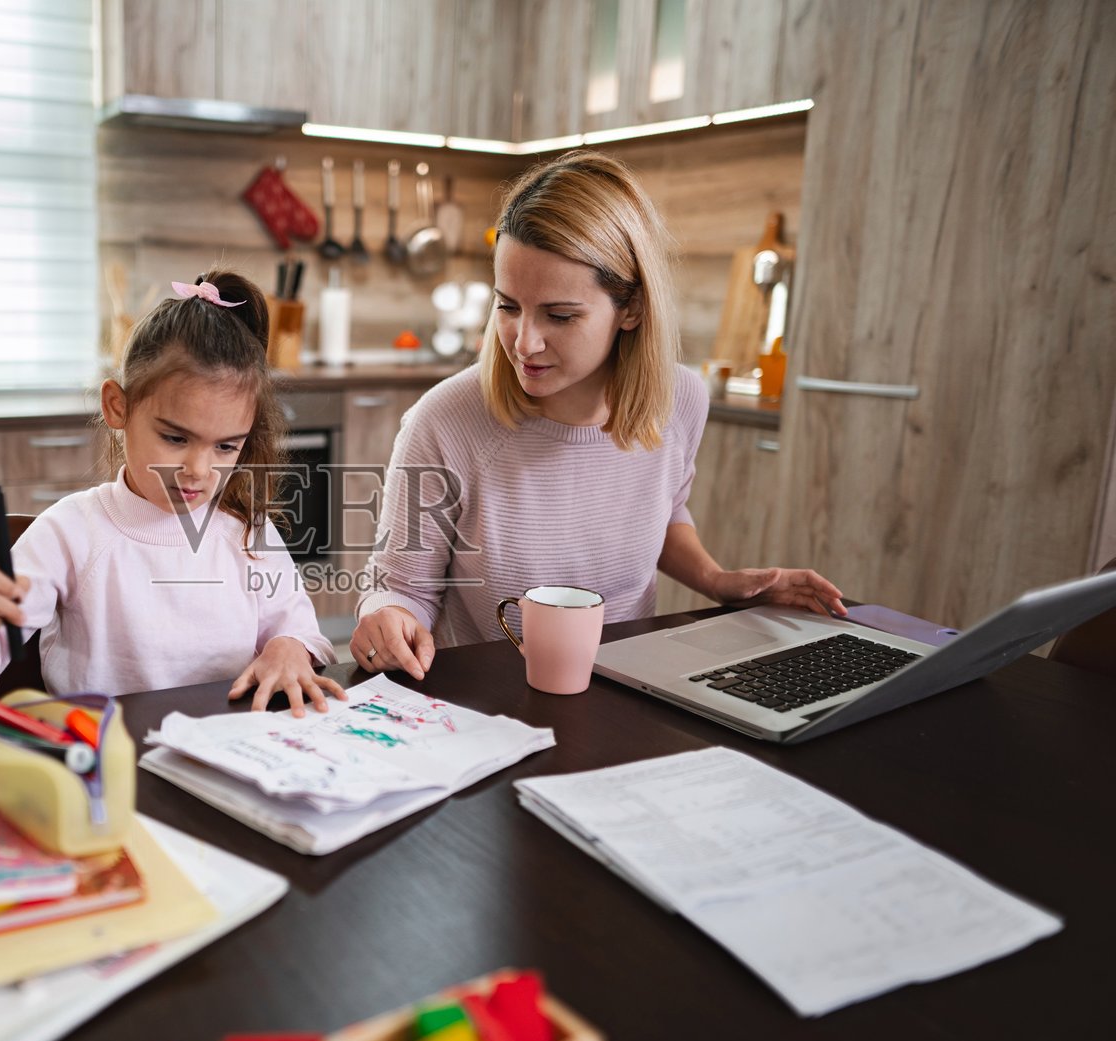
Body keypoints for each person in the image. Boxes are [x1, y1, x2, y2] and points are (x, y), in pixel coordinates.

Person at [349, 151, 844, 679]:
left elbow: (664, 509)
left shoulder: (680, 400)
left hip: (632, 690)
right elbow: (401, 587)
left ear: (630, 309)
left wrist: (716, 580)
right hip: (489, 708)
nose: (524, 342)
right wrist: (387, 616)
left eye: (560, 315)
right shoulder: (445, 421)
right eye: (508, 306)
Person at [0, 269, 344, 715]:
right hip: (108, 759)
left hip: (228, 755)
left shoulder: (247, 532)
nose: (199, 470)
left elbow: (300, 629)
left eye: (225, 446)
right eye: (176, 438)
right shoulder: (70, 532)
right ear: (117, 407)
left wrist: (288, 648)